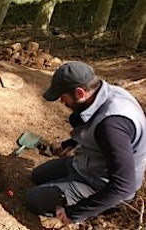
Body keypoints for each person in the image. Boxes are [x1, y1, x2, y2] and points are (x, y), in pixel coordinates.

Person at [25, 61, 146, 225]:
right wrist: (71, 143)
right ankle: (69, 185)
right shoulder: (105, 93)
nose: (61, 101)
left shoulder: (111, 125)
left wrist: (74, 213)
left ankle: (104, 206)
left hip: (101, 184)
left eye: (63, 96)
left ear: (80, 93)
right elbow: (91, 122)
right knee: (37, 175)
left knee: (33, 199)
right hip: (88, 164)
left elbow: (124, 186)